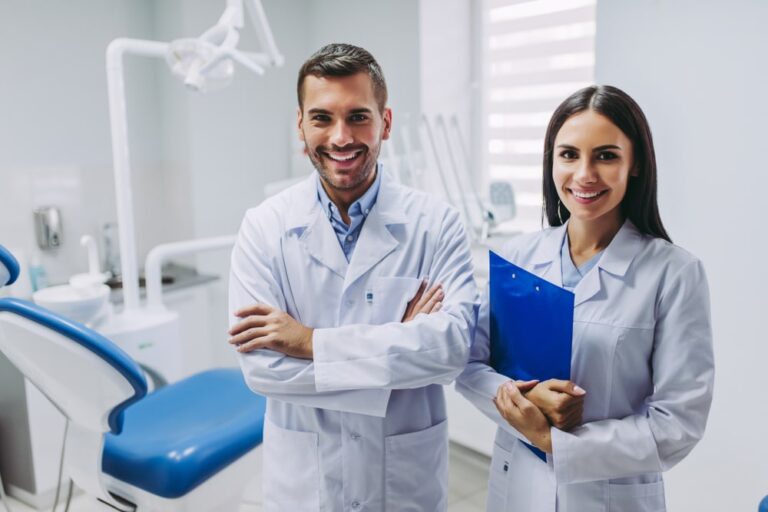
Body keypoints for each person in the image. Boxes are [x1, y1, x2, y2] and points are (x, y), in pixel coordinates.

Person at [227, 43, 477, 512]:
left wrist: (308, 342)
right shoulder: (263, 227)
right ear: (300, 125)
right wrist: (404, 341)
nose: (341, 137)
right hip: (307, 483)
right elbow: (263, 369)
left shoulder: (436, 223)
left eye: (358, 116)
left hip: (404, 483)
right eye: (321, 118)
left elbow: (452, 351)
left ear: (385, 122)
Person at [456, 85, 714, 512]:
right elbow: (469, 364)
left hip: (611, 497)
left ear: (635, 165)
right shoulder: (520, 257)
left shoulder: (674, 273)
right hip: (516, 488)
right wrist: (521, 398)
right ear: (551, 162)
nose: (584, 174)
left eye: (606, 155)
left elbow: (678, 424)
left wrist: (551, 441)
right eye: (569, 155)